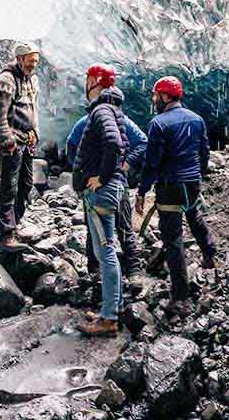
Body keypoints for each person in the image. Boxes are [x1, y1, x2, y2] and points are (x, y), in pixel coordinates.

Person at [136, 75, 216, 315]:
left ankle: (181, 297)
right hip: (191, 183)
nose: (153, 100)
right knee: (194, 216)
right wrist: (197, 174)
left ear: (164, 96)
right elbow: (204, 151)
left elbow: (152, 163)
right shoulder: (197, 119)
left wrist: (142, 190)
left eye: (155, 95)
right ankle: (210, 255)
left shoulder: (158, 123)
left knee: (173, 239)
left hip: (170, 186)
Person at [65, 68, 147, 277]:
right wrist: (124, 165)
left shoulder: (88, 120)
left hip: (96, 183)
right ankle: (133, 272)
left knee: (95, 229)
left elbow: (71, 146)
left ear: (93, 81)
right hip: (117, 183)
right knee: (124, 226)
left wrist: (82, 173)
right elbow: (142, 142)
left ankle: (96, 272)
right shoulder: (122, 119)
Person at [72, 64, 128, 336]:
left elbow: (114, 143)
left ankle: (108, 319)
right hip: (109, 188)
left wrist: (102, 177)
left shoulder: (102, 110)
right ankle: (111, 309)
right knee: (106, 251)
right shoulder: (112, 108)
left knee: (105, 253)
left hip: (102, 191)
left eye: (87, 78)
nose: (85, 83)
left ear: (95, 80)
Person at [0, 42, 40, 252]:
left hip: (26, 142)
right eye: (30, 61)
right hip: (13, 143)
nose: (33, 65)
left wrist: (35, 132)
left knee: (26, 185)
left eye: (36, 61)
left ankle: (14, 224)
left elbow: (33, 109)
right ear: (20, 59)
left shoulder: (30, 80)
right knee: (9, 186)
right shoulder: (6, 80)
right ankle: (6, 234)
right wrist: (7, 140)